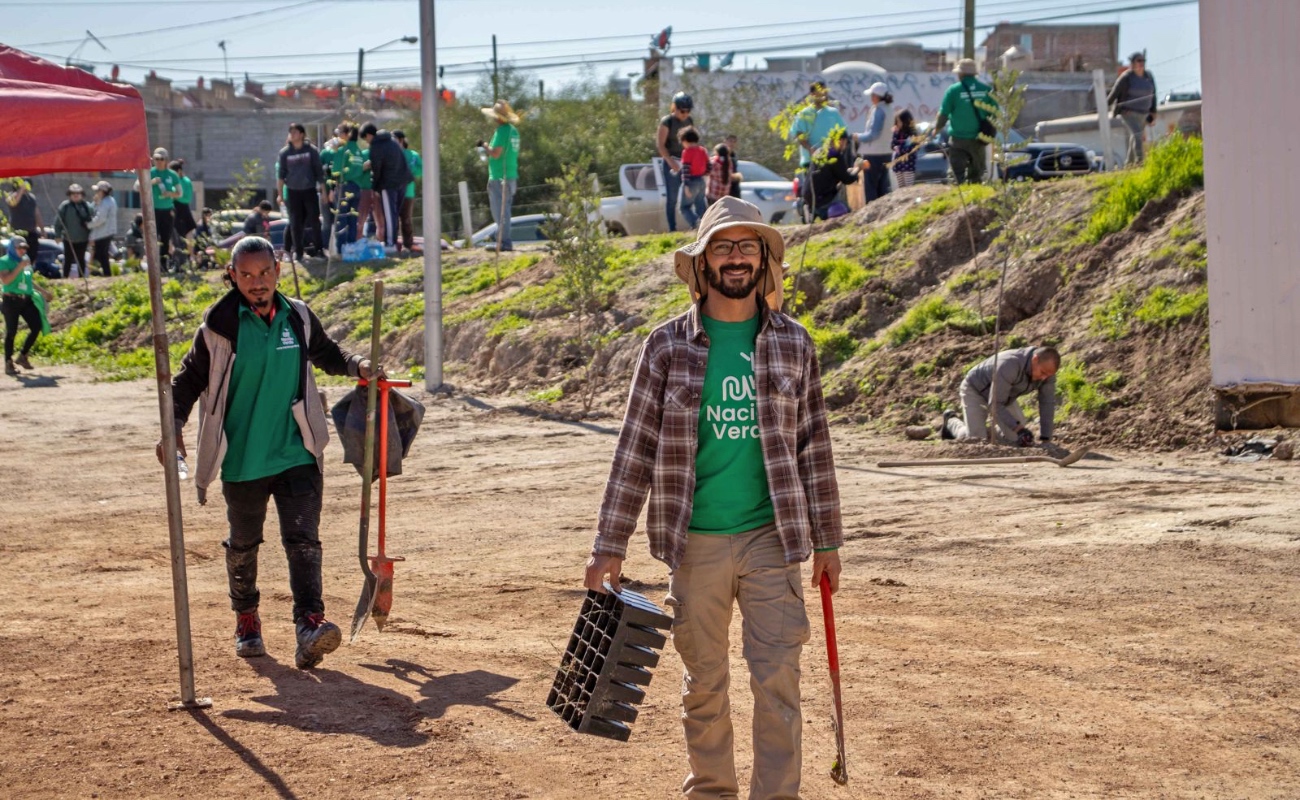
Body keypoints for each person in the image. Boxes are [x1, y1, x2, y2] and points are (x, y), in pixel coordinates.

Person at [584, 196, 844, 800]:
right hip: (693, 539)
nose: (735, 257)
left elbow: (815, 448)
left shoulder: (793, 343)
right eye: (723, 246)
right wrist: (608, 546)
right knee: (704, 681)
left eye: (747, 245)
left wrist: (828, 540)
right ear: (703, 263)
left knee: (777, 677)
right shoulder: (667, 345)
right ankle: (711, 791)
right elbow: (634, 451)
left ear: (763, 260)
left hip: (772, 539)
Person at [159, 236, 380, 669]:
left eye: (264, 273)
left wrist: (357, 365)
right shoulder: (219, 326)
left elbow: (327, 353)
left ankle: (309, 625)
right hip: (243, 456)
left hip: (297, 448)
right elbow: (185, 381)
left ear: (277, 270)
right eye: (247, 275)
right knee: (244, 543)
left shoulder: (297, 316)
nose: (257, 283)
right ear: (232, 275)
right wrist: (173, 430)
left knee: (304, 540)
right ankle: (246, 620)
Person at [942, 346, 1060, 446]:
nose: (1044, 378)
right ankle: (951, 422)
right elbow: (995, 403)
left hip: (1004, 395)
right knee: (976, 439)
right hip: (976, 389)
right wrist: (1019, 429)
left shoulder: (1047, 374)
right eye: (1043, 373)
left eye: (1048, 375)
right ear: (1035, 360)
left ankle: (987, 432)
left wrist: (1046, 438)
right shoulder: (1009, 365)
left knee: (1014, 439)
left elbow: (1047, 403)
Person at [934, 59, 997, 184]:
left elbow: (943, 114)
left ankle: (957, 199)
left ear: (960, 74)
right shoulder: (986, 90)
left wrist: (936, 129)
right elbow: (994, 114)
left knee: (956, 175)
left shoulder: (953, 90)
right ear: (974, 73)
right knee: (976, 175)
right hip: (979, 139)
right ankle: (974, 199)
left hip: (958, 139)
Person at [791, 81, 848, 216]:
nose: (823, 95)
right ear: (812, 94)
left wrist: (837, 150)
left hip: (830, 160)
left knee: (830, 190)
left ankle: (829, 215)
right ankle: (810, 212)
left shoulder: (833, 113)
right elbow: (799, 135)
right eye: (819, 92)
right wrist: (811, 149)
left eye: (824, 91)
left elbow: (842, 134)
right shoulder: (804, 114)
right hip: (810, 160)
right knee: (812, 191)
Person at [277, 123, 326, 263]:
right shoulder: (285, 153)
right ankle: (298, 253)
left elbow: (319, 172)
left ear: (302, 134)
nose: (292, 134)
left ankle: (319, 249)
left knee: (314, 221)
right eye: (290, 132)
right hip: (293, 192)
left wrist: (323, 191)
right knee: (295, 223)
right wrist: (280, 194)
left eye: (295, 132)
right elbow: (281, 176)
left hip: (309, 190)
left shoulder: (311, 151)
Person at [1, 238, 51, 375]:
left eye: (24, 248)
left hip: (26, 299)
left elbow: (28, 281)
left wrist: (44, 292)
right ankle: (8, 362)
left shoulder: (25, 260)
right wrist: (19, 266)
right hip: (11, 300)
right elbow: (6, 280)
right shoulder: (4, 261)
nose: (22, 251)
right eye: (19, 248)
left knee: (37, 325)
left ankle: (23, 355)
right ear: (12, 247)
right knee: (11, 332)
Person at [359, 122, 411, 250]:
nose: (366, 142)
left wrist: (376, 188)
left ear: (369, 135)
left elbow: (377, 169)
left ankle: (390, 244)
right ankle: (393, 241)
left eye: (365, 138)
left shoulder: (376, 146)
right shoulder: (392, 141)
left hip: (389, 185)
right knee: (394, 213)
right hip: (402, 182)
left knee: (389, 215)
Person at [478, 100, 521, 252]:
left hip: (499, 176)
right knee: (505, 209)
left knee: (500, 211)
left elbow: (496, 153)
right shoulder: (514, 131)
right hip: (511, 175)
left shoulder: (501, 131)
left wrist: (485, 146)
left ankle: (504, 242)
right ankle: (503, 240)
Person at [1108, 52, 1158, 165]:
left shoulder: (1149, 76)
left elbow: (1153, 94)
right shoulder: (1126, 77)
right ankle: (1139, 161)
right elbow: (1114, 93)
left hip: (1144, 113)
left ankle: (1129, 164)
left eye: (1143, 61)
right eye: (1138, 61)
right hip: (1128, 113)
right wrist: (1103, 106)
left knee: (1135, 137)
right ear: (1132, 63)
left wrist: (1153, 111)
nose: (1141, 63)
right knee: (1138, 134)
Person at [656, 92, 695, 233]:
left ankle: (694, 223)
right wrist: (670, 162)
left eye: (688, 110)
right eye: (682, 110)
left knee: (690, 193)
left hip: (686, 161)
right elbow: (660, 145)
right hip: (671, 162)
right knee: (672, 197)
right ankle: (672, 228)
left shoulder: (689, 121)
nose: (685, 113)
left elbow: (692, 141)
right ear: (675, 107)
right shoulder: (667, 121)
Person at [854, 82, 894, 202]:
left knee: (870, 187)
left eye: (873, 95)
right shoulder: (889, 109)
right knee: (883, 186)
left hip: (873, 154)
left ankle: (872, 214)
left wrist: (857, 137)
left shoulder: (878, 110)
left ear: (877, 96)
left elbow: (873, 134)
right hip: (886, 151)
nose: (871, 98)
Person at [144, 147, 182, 271]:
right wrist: (151, 182)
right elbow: (137, 187)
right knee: (152, 237)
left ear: (166, 160)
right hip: (153, 210)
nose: (158, 161)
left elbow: (179, 193)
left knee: (165, 237)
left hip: (167, 210)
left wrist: (169, 194)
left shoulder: (172, 174)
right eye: (156, 159)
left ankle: (163, 264)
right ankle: (152, 265)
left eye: (161, 159)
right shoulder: (150, 172)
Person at [809, 132, 861, 220]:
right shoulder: (835, 155)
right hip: (824, 200)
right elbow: (847, 180)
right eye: (845, 142)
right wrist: (858, 168)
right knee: (848, 214)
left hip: (810, 198)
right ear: (841, 141)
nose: (845, 146)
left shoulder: (819, 152)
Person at [333, 123, 366, 247]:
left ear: (347, 134)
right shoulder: (359, 151)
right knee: (353, 220)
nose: (339, 135)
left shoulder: (343, 150)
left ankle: (342, 249)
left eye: (340, 132)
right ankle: (352, 247)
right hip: (357, 187)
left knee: (342, 219)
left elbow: (336, 172)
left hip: (344, 187)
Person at [53, 183, 94, 279]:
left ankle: (82, 279)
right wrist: (57, 235)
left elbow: (93, 223)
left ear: (82, 194)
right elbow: (58, 222)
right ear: (69, 195)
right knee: (67, 260)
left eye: (78, 193)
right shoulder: (65, 206)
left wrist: (92, 237)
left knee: (81, 260)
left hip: (83, 239)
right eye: (73, 193)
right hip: (68, 239)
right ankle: (65, 278)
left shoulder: (87, 207)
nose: (75, 195)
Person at [393, 130, 422, 255]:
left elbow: (421, 171)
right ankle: (393, 244)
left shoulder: (413, 155)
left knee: (406, 219)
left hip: (408, 192)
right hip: (393, 191)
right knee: (393, 219)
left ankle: (408, 244)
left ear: (401, 140)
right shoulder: (392, 154)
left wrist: (410, 170)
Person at [677, 127, 709, 229]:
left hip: (691, 181)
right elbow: (709, 166)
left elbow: (685, 170)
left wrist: (685, 185)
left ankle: (695, 223)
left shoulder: (687, 152)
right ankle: (707, 225)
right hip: (701, 180)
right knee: (700, 205)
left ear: (685, 140)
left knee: (684, 207)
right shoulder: (702, 150)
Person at [4, 178, 42, 256]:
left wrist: (42, 229)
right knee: (17, 255)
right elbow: (13, 203)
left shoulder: (31, 198)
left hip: (31, 232)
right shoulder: (12, 195)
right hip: (17, 232)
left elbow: (37, 214)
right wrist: (21, 190)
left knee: (32, 254)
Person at [87, 181, 118, 277]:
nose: (96, 193)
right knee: (101, 254)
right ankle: (103, 273)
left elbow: (100, 219)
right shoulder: (107, 201)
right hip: (104, 232)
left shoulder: (106, 202)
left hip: (104, 232)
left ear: (102, 191)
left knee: (102, 254)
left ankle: (106, 274)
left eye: (97, 191)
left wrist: (88, 225)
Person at [170, 159, 197, 263]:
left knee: (185, 234)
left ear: (179, 171)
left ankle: (189, 257)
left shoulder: (183, 181)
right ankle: (185, 257)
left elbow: (185, 197)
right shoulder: (179, 181)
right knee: (181, 234)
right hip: (179, 208)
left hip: (181, 208)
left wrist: (174, 195)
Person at [891, 109, 920, 188]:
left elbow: (912, 148)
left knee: (908, 187)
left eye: (899, 121)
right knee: (900, 187)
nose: (898, 124)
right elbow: (892, 144)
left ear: (906, 121)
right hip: (898, 165)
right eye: (896, 122)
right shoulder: (897, 132)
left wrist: (899, 149)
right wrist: (894, 145)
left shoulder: (912, 133)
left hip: (908, 165)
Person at [724, 134, 742, 199]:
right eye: (730, 141)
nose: (732, 143)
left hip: (733, 186)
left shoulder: (734, 155)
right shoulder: (722, 154)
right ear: (726, 141)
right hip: (723, 186)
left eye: (734, 142)